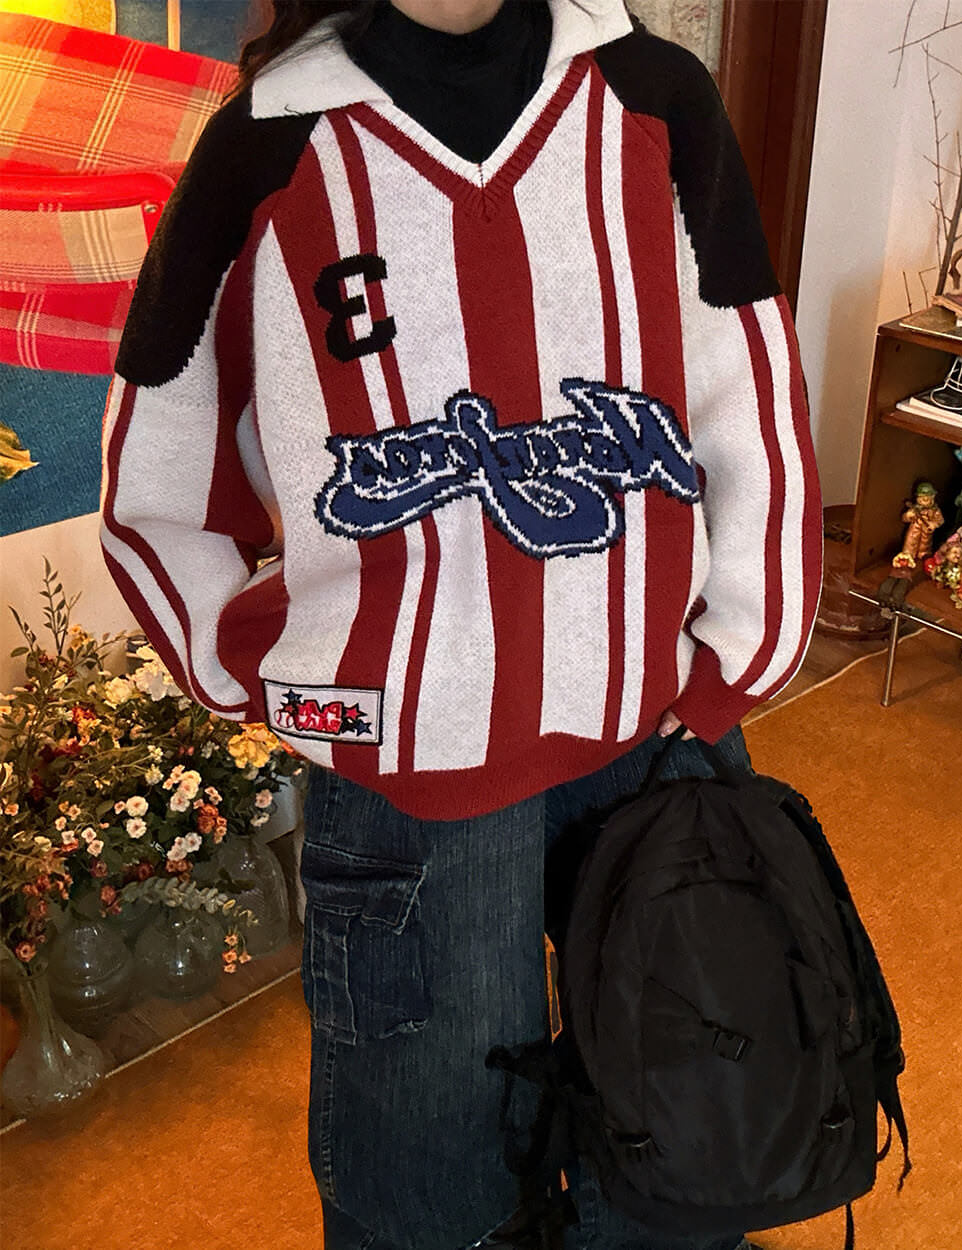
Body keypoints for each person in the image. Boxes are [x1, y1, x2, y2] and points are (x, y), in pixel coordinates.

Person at [99, 0, 823, 1246]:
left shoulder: (652, 103)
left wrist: (733, 656)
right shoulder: (270, 145)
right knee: (427, 1192)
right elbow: (162, 458)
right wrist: (272, 675)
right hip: (406, 785)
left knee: (685, 1152)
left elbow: (744, 392)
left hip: (652, 738)